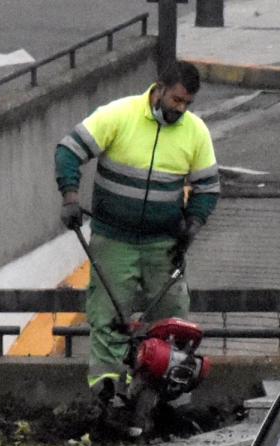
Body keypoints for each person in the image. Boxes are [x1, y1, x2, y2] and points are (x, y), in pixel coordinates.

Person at [54, 60, 219, 396]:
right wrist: (70, 197)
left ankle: (167, 394)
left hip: (164, 244)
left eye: (187, 103)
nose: (180, 109)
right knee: (108, 318)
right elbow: (68, 151)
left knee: (173, 319)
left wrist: (192, 225)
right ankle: (107, 393)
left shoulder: (195, 132)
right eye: (176, 100)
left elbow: (207, 188)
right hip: (114, 240)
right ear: (159, 88)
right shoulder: (118, 115)